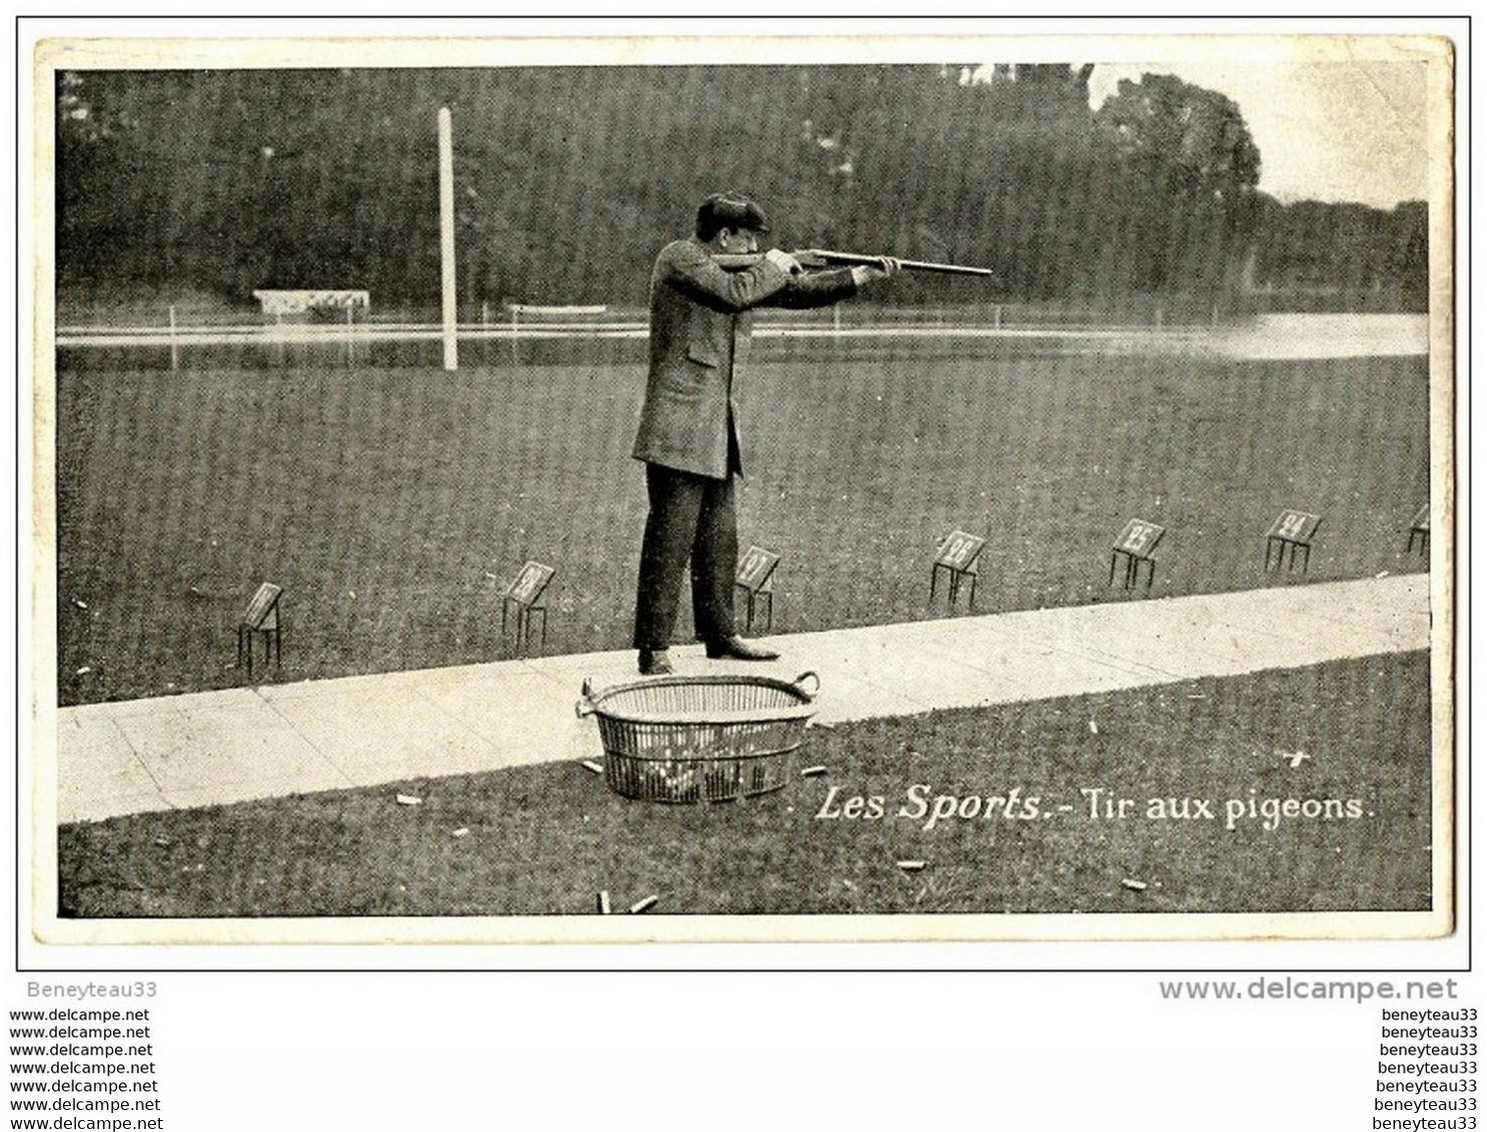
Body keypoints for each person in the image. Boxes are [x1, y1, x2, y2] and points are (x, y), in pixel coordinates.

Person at [630, 193, 898, 675]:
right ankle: (654, 649)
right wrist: (779, 262)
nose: (755, 245)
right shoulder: (682, 258)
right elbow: (734, 293)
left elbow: (789, 293)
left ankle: (721, 636)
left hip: (715, 428)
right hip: (678, 426)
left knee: (719, 538)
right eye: (749, 237)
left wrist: (858, 276)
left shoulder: (741, 272)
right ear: (725, 236)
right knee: (670, 540)